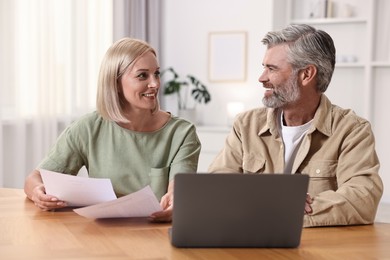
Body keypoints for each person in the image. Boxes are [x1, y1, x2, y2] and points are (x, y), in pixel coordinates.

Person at [208, 24, 383, 227]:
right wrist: (280, 206)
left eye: (271, 69)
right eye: (264, 67)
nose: (261, 78)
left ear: (306, 74)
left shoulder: (352, 130)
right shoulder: (245, 125)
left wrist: (293, 209)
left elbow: (362, 199)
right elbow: (217, 186)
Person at [24, 38, 201, 222]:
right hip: (102, 235)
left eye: (156, 74)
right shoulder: (88, 128)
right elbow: (34, 179)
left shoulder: (182, 133)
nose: (155, 83)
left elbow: (179, 188)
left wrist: (176, 199)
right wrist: (38, 193)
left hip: (157, 233)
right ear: (115, 82)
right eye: (142, 75)